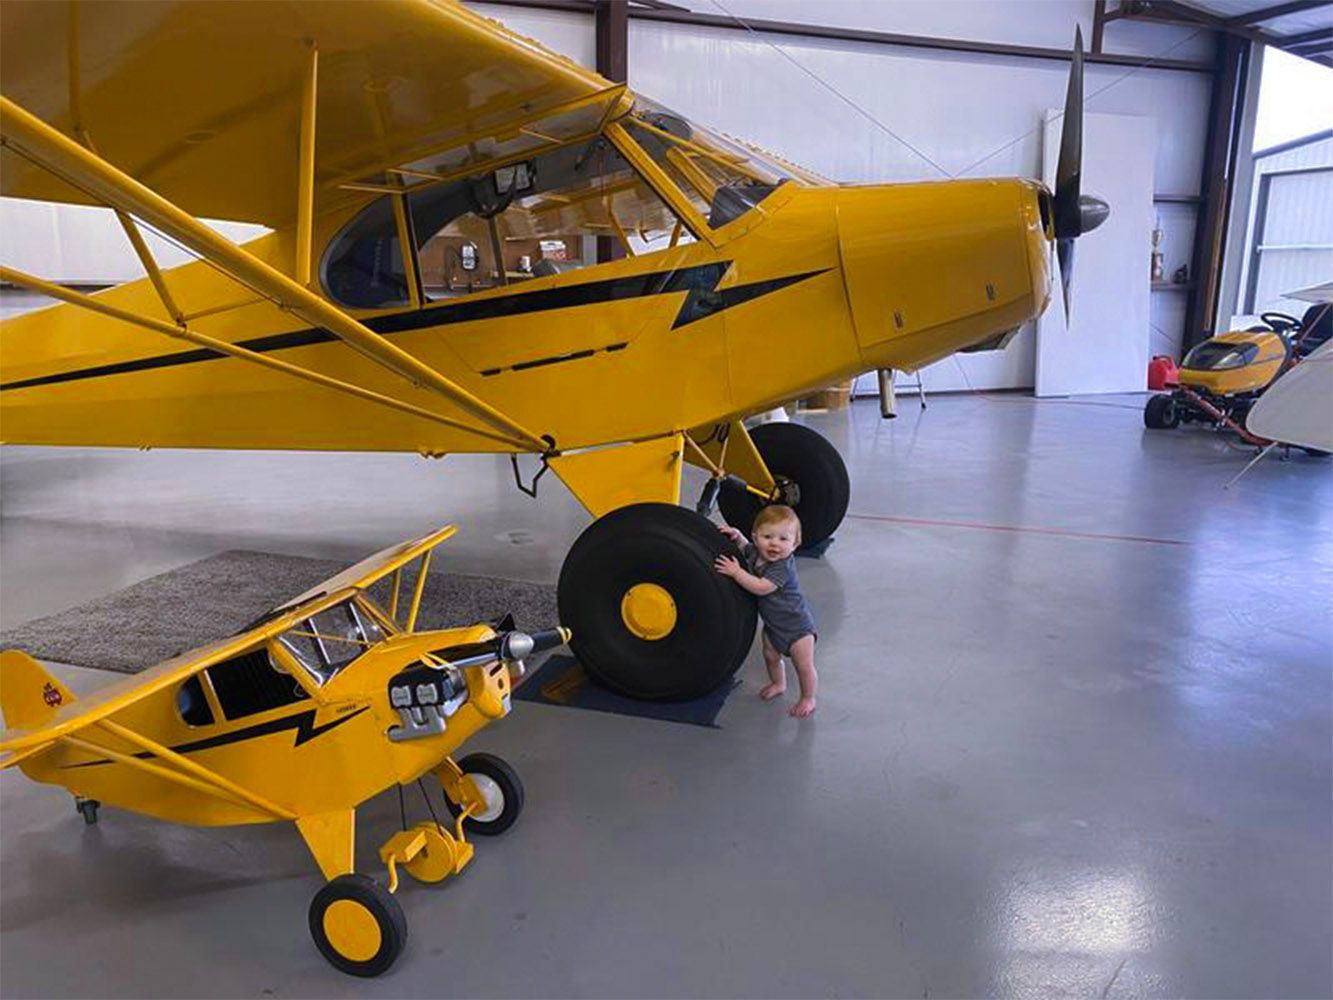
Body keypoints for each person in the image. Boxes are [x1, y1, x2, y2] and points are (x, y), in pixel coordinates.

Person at [714, 505, 818, 718]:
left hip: (797, 628)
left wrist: (737, 573)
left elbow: (762, 587)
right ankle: (778, 683)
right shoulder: (756, 553)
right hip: (773, 626)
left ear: (795, 544)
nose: (774, 544)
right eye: (767, 536)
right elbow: (745, 548)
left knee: (803, 665)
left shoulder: (782, 566)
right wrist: (738, 537)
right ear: (756, 536)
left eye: (783, 539)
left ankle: (808, 697)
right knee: (770, 656)